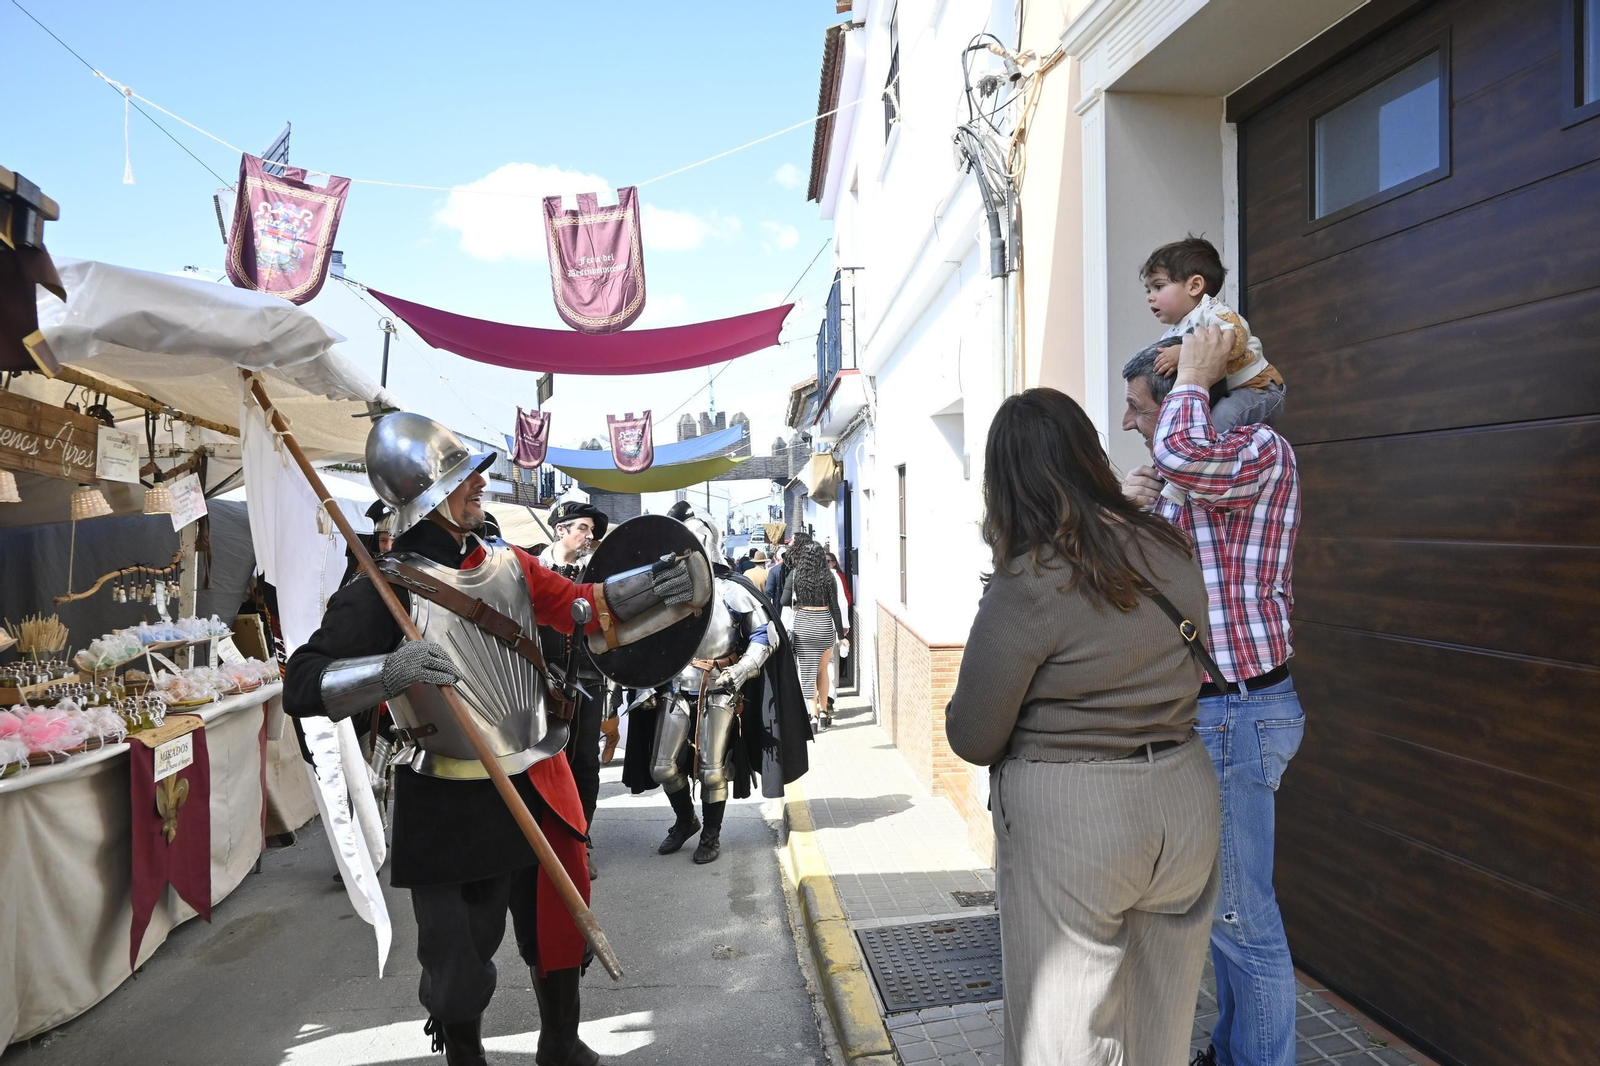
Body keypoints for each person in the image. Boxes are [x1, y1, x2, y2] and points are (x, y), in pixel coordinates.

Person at [285, 413, 709, 1066]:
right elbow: (303, 681)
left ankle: (560, 1042)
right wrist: (387, 670)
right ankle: (465, 1056)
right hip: (446, 793)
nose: (480, 485)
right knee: (456, 959)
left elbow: (582, 606)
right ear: (428, 495)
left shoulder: (511, 564)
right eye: (464, 478)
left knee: (560, 923)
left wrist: (657, 584)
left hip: (537, 770)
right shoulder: (383, 588)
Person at [945, 387, 1219, 1066]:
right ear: (1089, 455)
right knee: (1161, 1033)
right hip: (1184, 797)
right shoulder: (1167, 547)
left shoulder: (1030, 579)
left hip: (1077, 819)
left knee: (1063, 1040)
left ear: (1005, 481)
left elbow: (972, 736)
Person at [1122, 327, 1304, 1066]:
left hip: (1237, 710)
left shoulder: (1257, 449)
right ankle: (1232, 1052)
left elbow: (1184, 451)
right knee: (1225, 913)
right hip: (1214, 711)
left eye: (1140, 407)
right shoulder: (1189, 474)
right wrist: (1127, 511)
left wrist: (1193, 374)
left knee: (1240, 916)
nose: (1130, 422)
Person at [622, 501, 812, 865]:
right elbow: (649, 640)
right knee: (662, 767)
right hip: (675, 688)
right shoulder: (669, 590)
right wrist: (645, 683)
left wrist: (742, 670)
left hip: (720, 688)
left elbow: (765, 635)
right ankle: (686, 820)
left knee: (712, 771)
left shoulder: (731, 590)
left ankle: (711, 834)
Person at [1141, 236, 1284, 505]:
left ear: (1195, 285)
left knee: (1220, 421)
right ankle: (1172, 472)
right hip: (1228, 392)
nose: (1150, 296)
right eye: (1148, 289)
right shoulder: (1172, 333)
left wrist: (1184, 353)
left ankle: (1187, 479)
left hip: (1258, 390)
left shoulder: (1212, 311)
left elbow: (1235, 338)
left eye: (1158, 286)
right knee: (1183, 423)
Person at [538, 500, 609, 881]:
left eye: (592, 530)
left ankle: (580, 840)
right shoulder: (531, 568)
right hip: (538, 678)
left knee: (584, 761)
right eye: (583, 528)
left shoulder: (597, 574)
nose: (589, 536)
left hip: (589, 679)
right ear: (561, 529)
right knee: (544, 758)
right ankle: (544, 839)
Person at [781, 541, 845, 729]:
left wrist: (797, 604)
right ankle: (824, 712)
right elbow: (835, 608)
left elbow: (784, 600)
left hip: (804, 625)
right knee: (823, 670)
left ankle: (813, 717)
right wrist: (841, 636)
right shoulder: (829, 576)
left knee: (808, 672)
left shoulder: (795, 575)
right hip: (824, 624)